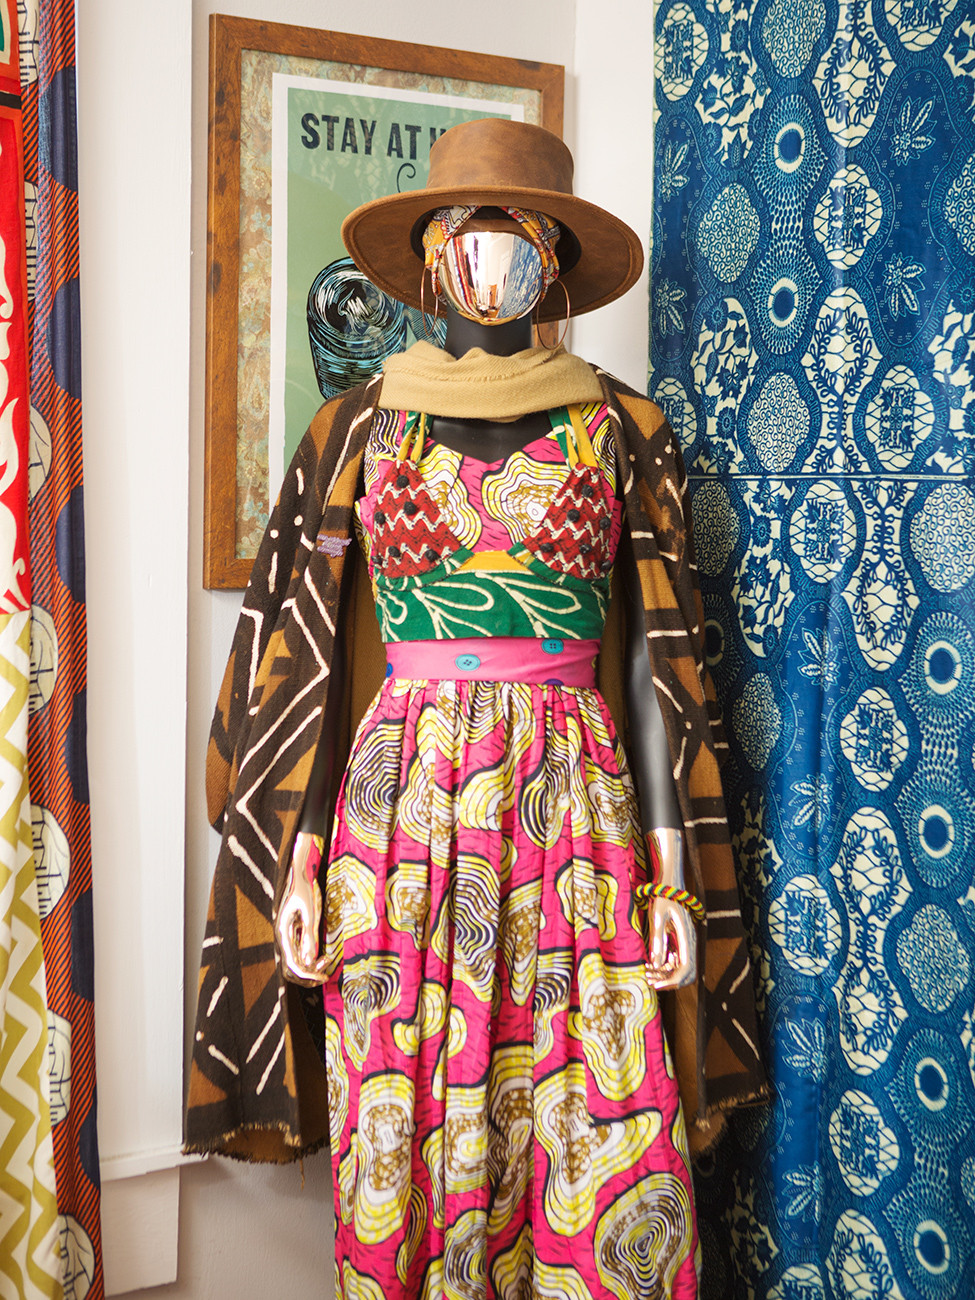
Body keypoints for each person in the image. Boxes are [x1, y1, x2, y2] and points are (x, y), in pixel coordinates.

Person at [185, 118, 765, 1300]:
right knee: (404, 1123)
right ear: (430, 252)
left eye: (520, 237)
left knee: (600, 1117)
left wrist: (672, 877)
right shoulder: (355, 429)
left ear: (555, 258)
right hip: (399, 815)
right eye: (469, 233)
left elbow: (659, 663)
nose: (492, 261)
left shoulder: (623, 428)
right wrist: (299, 859)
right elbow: (307, 662)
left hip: (574, 813)